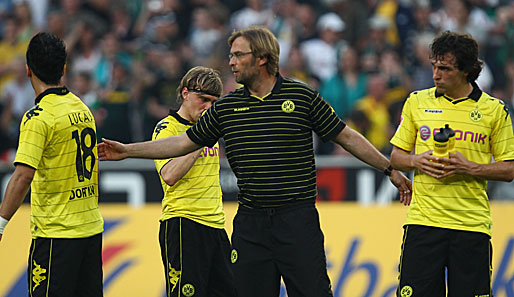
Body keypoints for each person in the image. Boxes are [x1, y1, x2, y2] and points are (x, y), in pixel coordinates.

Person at [98, 26, 412, 297]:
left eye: (238, 55)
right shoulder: (227, 108)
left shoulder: (302, 97)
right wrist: (128, 150)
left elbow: (346, 136)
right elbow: (182, 142)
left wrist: (389, 168)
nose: (231, 62)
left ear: (261, 59)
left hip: (297, 220)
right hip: (250, 225)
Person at [390, 31, 514, 297]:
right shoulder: (417, 102)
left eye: (444, 68)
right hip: (424, 223)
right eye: (434, 66)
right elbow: (396, 157)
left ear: (466, 71)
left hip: (470, 226)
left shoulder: (494, 110)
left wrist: (471, 168)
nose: (436, 74)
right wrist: (416, 160)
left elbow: (509, 169)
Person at [0, 32, 104, 297]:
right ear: (64, 69)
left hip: (56, 236)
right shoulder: (82, 108)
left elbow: (23, 176)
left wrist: (0, 224)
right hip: (90, 230)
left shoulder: (38, 117)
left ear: (27, 70)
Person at [153, 66, 236, 297]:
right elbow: (169, 175)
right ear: (185, 93)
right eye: (203, 99)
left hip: (216, 226)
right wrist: (200, 137)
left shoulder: (210, 131)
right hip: (183, 225)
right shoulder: (167, 128)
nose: (208, 107)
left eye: (213, 102)